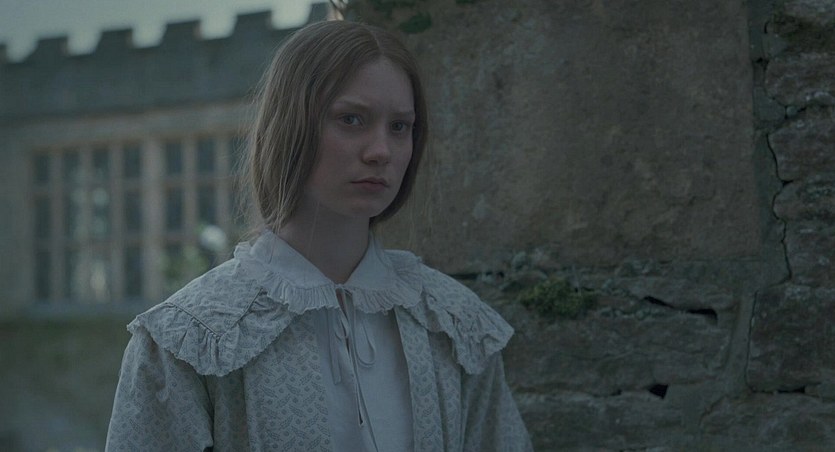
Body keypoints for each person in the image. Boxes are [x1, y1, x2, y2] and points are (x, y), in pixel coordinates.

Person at [106, 19, 532, 452]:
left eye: (399, 127)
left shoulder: (456, 327)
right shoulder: (187, 341)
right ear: (292, 126)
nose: (381, 151)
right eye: (352, 119)